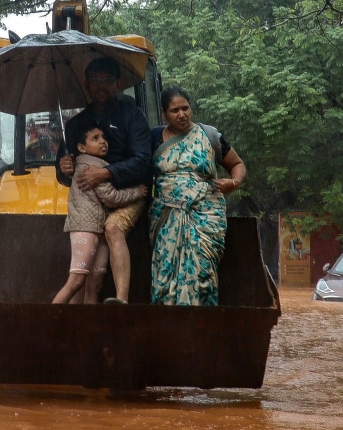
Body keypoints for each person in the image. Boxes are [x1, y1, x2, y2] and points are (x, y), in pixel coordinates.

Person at [56, 56, 152, 304]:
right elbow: (65, 170)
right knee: (87, 273)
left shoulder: (133, 116)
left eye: (107, 80)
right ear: (86, 85)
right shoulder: (76, 124)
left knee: (112, 227)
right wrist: (63, 167)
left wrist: (107, 173)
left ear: (118, 84)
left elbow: (143, 161)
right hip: (92, 203)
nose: (101, 85)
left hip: (128, 192)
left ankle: (121, 301)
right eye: (95, 80)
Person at [150, 87, 246, 306]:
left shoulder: (210, 135)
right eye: (175, 110)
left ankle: (202, 325)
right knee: (165, 272)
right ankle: (168, 325)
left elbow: (238, 165)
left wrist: (234, 182)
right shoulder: (154, 138)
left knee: (202, 269)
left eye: (185, 108)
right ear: (164, 113)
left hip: (205, 213)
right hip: (167, 215)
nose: (181, 114)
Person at [53, 125, 147, 304]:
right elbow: (111, 197)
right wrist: (137, 192)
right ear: (82, 147)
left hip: (97, 229)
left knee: (94, 284)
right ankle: (48, 321)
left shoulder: (97, 164)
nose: (103, 141)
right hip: (85, 229)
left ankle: (88, 327)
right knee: (76, 281)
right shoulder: (90, 167)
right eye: (95, 138)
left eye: (103, 137)